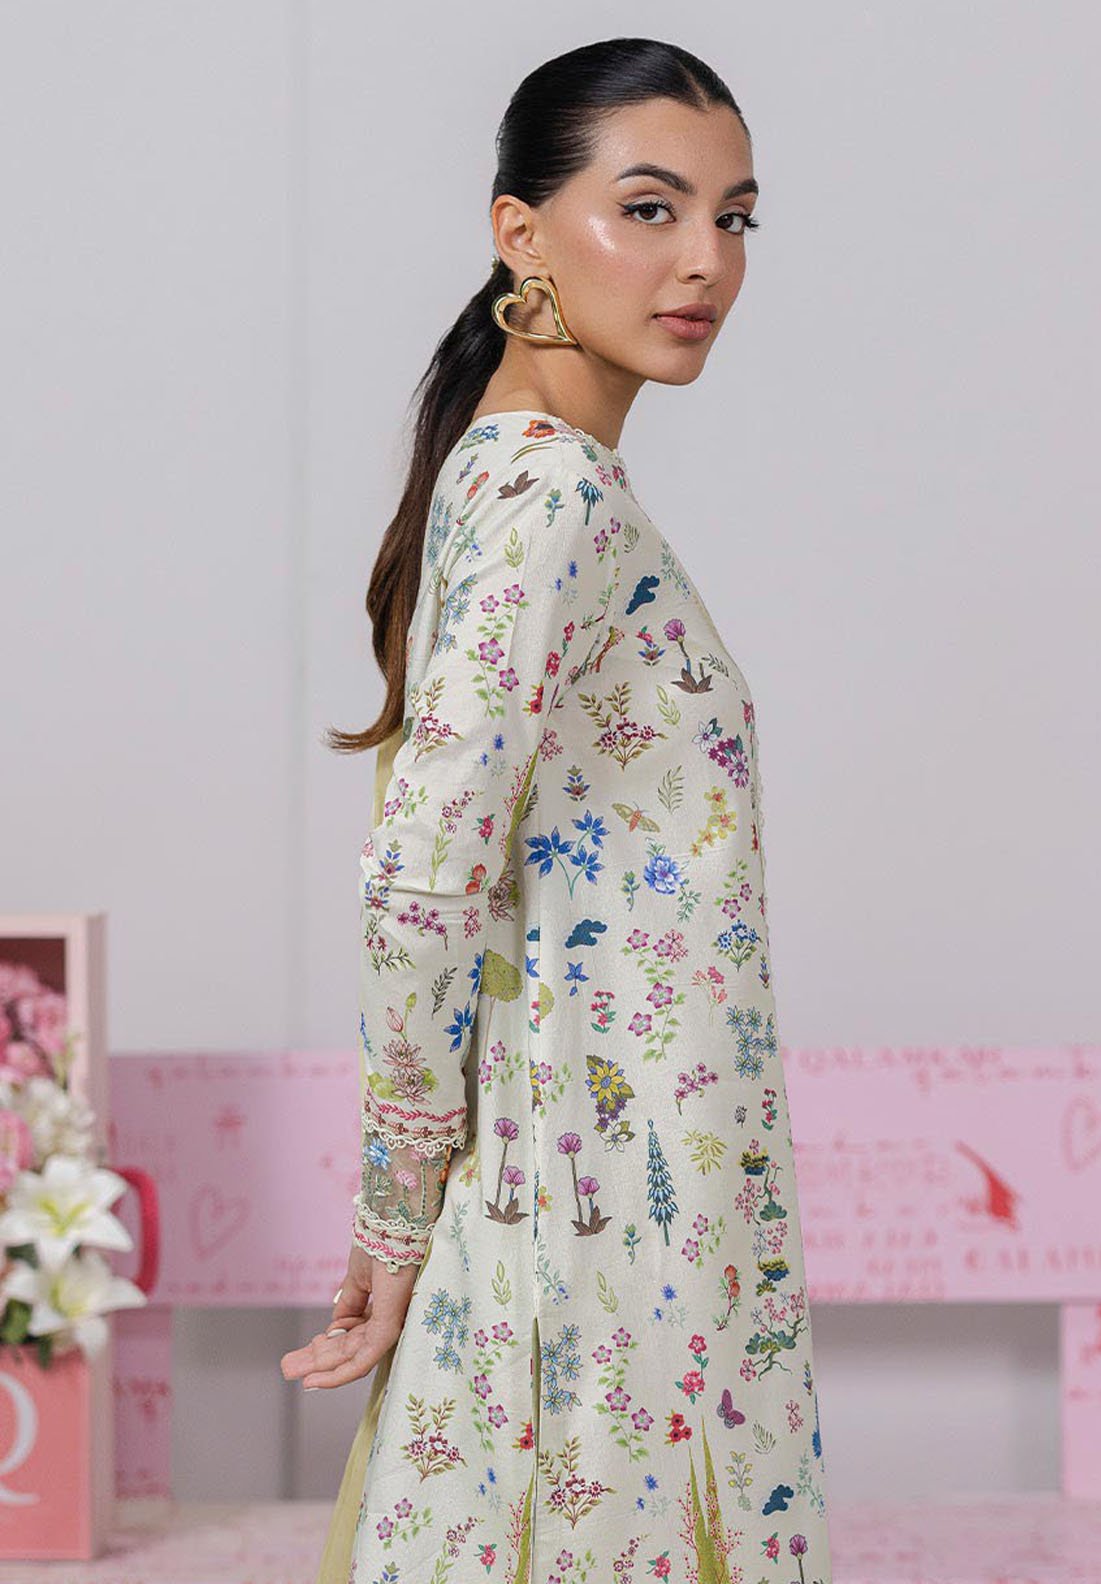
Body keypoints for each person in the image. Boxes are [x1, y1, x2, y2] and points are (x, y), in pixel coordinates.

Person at [281, 37, 833, 1582]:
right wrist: (395, 1218)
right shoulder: (551, 496)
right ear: (518, 233)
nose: (704, 260)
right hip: (604, 1229)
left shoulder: (512, 473)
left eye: (733, 216)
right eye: (648, 208)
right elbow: (423, 876)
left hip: (631, 1200)